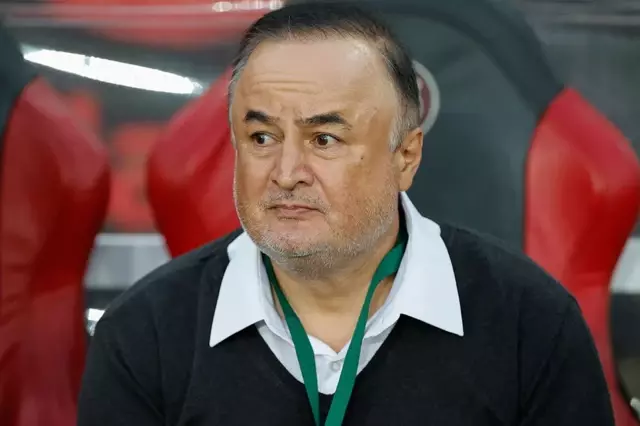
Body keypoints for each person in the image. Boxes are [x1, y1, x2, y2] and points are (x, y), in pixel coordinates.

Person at [77, 3, 615, 425]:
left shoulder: (529, 322)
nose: (287, 172)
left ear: (405, 157)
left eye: (324, 139)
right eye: (261, 137)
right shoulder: (144, 333)